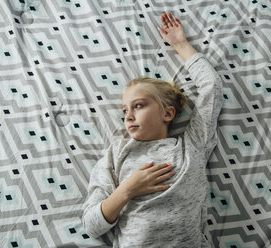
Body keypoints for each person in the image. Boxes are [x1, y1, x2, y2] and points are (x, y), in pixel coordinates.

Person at [82, 12, 223, 247]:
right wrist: (126, 190)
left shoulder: (193, 144)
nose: (128, 115)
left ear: (167, 113)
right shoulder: (117, 154)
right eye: (124, 110)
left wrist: (180, 45)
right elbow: (92, 225)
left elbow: (212, 87)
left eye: (138, 106)